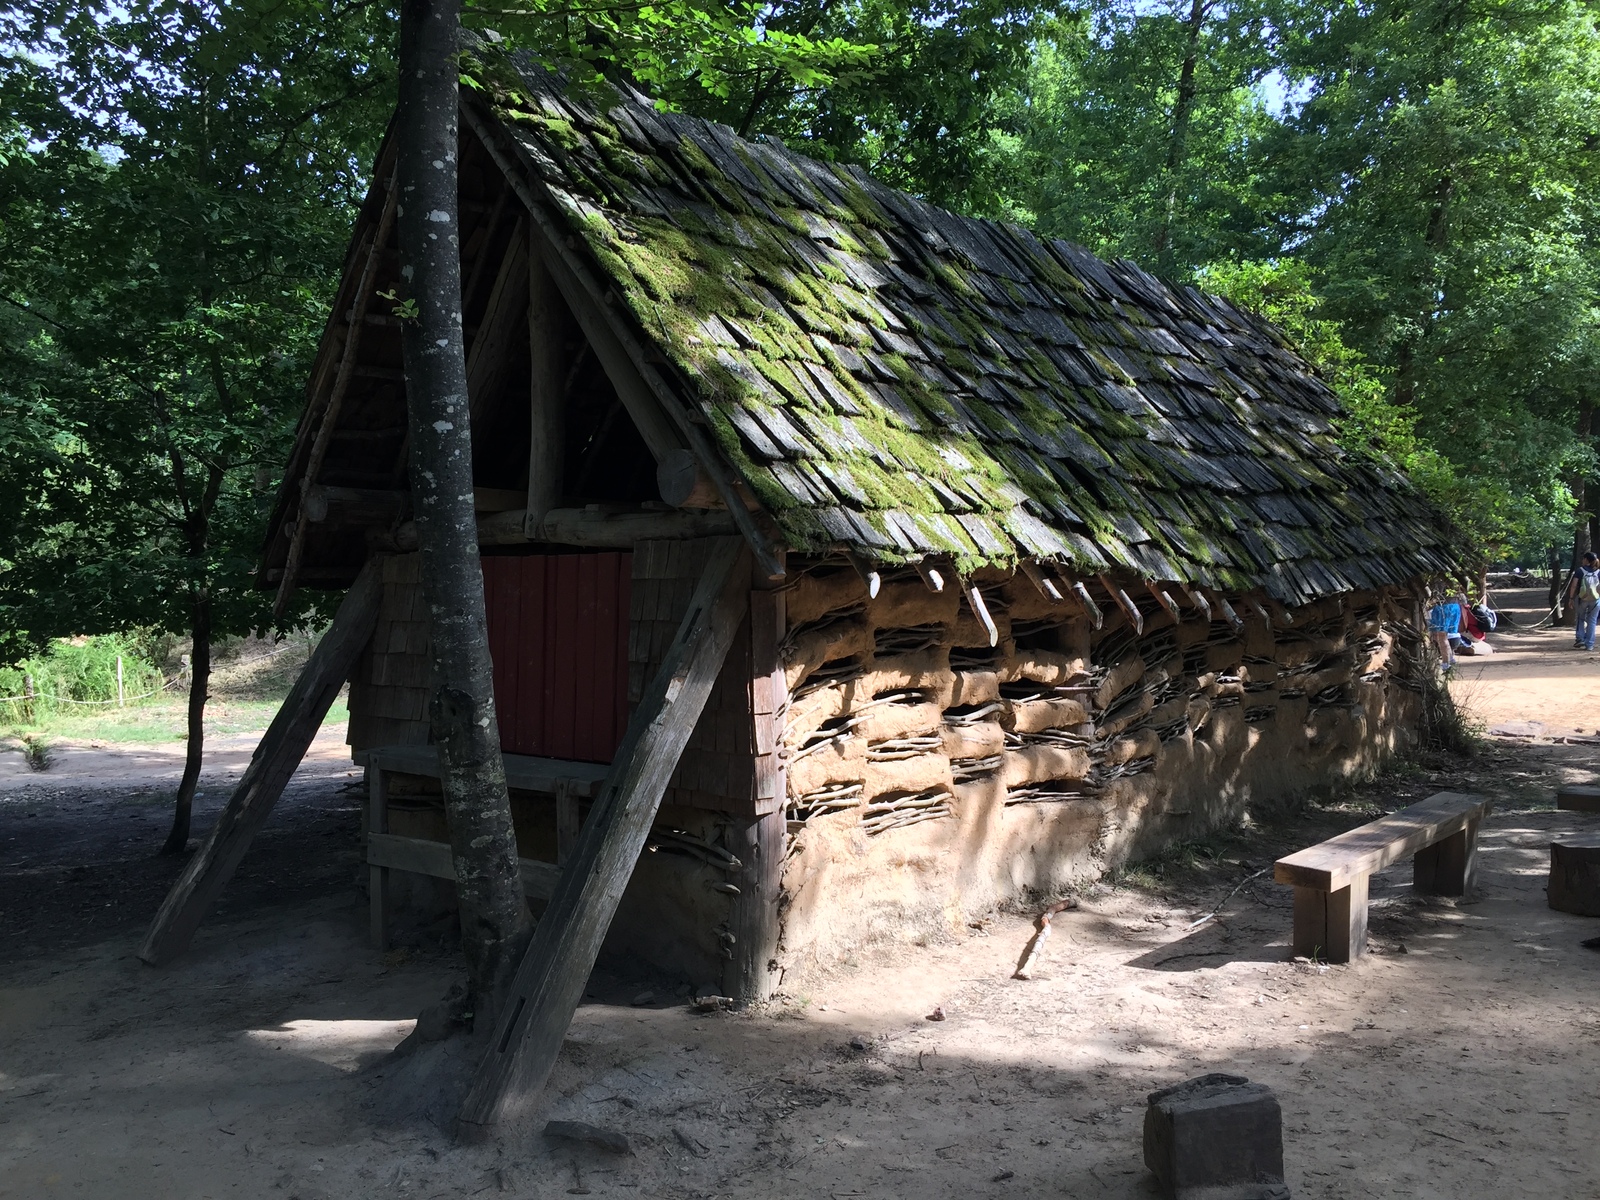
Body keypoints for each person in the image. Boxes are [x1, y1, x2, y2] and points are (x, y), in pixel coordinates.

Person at [1568, 552, 1600, 651]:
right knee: (1592, 621)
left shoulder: (1580, 571)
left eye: (1583, 559)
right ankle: (1589, 644)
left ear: (1586, 560)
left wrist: (1571, 598)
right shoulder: (1598, 572)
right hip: (1595, 599)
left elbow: (1574, 585)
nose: (1582, 560)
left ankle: (1580, 639)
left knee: (1580, 618)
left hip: (1582, 598)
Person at [1427, 593, 1462, 669]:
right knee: (1440, 635)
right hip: (1455, 605)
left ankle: (1446, 664)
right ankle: (1450, 658)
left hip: (1443, 607)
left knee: (1441, 636)